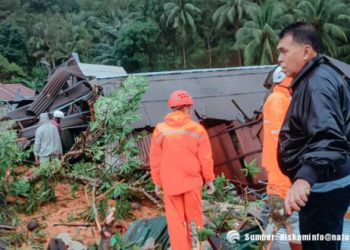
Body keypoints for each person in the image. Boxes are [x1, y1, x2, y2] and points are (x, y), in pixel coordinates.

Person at [277, 22, 350, 250]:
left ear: (306, 51)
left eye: (284, 51)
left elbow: (328, 135)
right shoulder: (321, 76)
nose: (279, 59)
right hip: (330, 181)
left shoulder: (316, 84)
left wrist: (304, 178)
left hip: (323, 186)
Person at [149, 90, 215, 250]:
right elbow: (205, 158)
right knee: (194, 219)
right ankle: (195, 247)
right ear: (186, 108)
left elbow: (155, 159)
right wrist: (209, 179)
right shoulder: (197, 129)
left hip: (170, 184)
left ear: (172, 108)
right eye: (190, 108)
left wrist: (157, 181)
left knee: (175, 223)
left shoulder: (160, 129)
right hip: (191, 182)